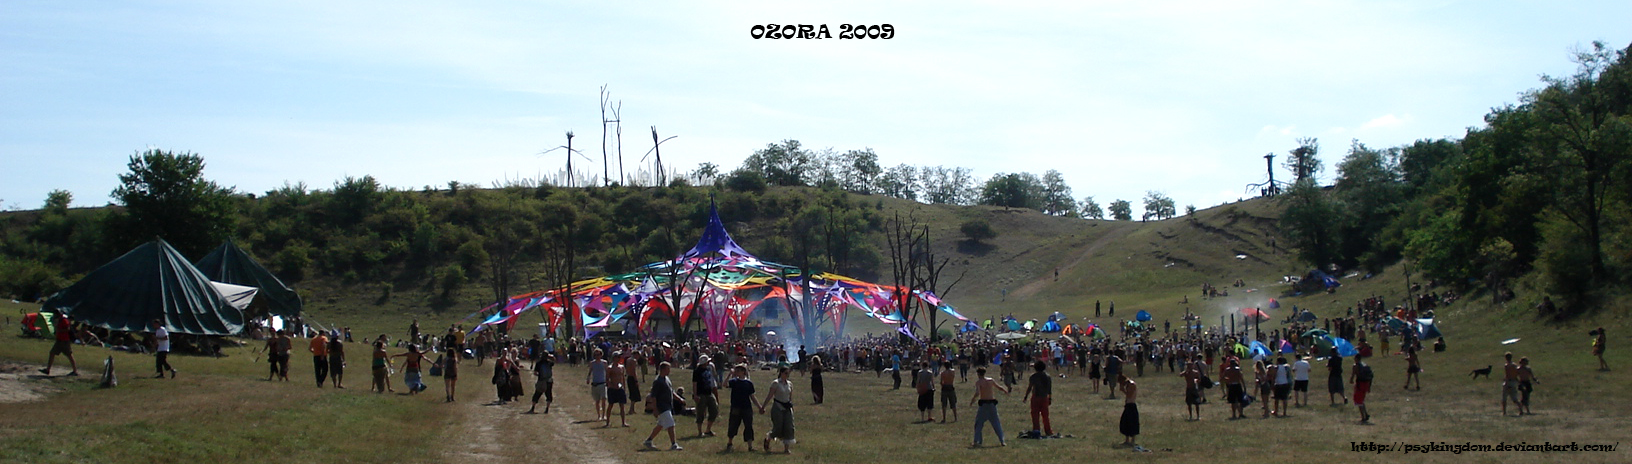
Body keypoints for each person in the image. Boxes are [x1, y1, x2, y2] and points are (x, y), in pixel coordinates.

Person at [643, 362, 684, 451]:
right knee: (671, 424)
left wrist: (679, 399)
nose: (669, 371)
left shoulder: (666, 379)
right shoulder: (658, 381)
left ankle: (648, 440)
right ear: (663, 369)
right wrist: (655, 409)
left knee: (660, 425)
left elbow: (671, 391)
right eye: (668, 369)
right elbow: (653, 396)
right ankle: (674, 444)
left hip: (668, 405)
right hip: (662, 406)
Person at [724, 364, 762, 452]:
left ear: (743, 372)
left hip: (746, 407)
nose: (737, 372)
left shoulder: (748, 383)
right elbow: (724, 384)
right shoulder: (734, 381)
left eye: (738, 370)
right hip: (736, 407)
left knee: (748, 426)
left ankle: (750, 446)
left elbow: (752, 396)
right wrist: (729, 374)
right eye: (736, 370)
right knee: (733, 425)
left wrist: (759, 407)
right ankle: (730, 443)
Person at [969, 366, 1010, 447]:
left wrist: (972, 400)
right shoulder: (990, 380)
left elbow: (977, 393)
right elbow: (999, 387)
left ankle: (977, 441)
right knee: (996, 423)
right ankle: (1002, 441)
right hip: (992, 404)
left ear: (978, 374)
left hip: (983, 404)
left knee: (978, 424)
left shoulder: (979, 382)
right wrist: (1005, 391)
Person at [760, 366, 796, 454]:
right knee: (778, 427)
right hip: (778, 407)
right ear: (781, 373)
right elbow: (770, 396)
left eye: (788, 373)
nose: (787, 375)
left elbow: (790, 397)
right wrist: (763, 407)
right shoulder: (775, 383)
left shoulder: (790, 384)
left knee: (789, 427)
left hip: (787, 408)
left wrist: (791, 407)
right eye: (785, 373)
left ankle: (786, 448)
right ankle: (768, 438)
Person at [1021, 360, 1053, 436]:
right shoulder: (1047, 377)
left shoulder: (1033, 377)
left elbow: (1030, 387)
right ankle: (1048, 431)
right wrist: (1050, 398)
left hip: (1036, 397)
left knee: (1035, 415)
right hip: (1044, 397)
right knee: (1045, 416)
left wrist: (1026, 396)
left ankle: (1036, 430)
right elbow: (1049, 389)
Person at [692, 356, 721, 436]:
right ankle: (700, 431)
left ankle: (708, 429)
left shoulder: (708, 369)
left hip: (709, 392)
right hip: (701, 394)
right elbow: (694, 384)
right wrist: (695, 395)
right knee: (700, 413)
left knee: (714, 410)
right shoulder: (697, 371)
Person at [607, 352, 630, 427]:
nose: (619, 359)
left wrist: (624, 387)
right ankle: (607, 422)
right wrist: (612, 385)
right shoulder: (610, 368)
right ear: (614, 358)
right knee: (610, 405)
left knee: (622, 406)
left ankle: (623, 422)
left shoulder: (621, 367)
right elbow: (607, 379)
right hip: (612, 389)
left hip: (620, 388)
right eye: (617, 357)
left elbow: (622, 378)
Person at [1118, 374, 1139, 447]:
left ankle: (1132, 440)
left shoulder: (1132, 385)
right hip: (1128, 405)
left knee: (1132, 423)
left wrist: (1123, 390)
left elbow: (1129, 395)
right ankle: (1127, 440)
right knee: (1125, 422)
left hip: (1131, 405)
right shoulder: (1128, 385)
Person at [1350, 356, 1373, 424]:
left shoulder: (1355, 366)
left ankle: (1363, 417)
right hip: (1366, 384)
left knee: (1358, 400)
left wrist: (1351, 380)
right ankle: (1365, 414)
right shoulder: (1365, 365)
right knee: (1361, 400)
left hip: (1360, 384)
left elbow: (1353, 374)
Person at [588, 349, 608, 421]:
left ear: (601, 355)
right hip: (595, 384)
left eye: (598, 354)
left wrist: (608, 380)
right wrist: (588, 378)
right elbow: (590, 371)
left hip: (602, 383)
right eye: (596, 355)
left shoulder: (604, 363)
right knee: (597, 401)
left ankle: (604, 415)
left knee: (604, 399)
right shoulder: (592, 363)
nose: (597, 356)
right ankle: (599, 415)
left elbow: (607, 372)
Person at [1500, 352, 1521, 417]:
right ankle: (1521, 410)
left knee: (1504, 398)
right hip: (1514, 381)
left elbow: (1507, 374)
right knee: (1514, 398)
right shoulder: (1515, 365)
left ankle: (1504, 412)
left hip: (1508, 382)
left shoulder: (1507, 365)